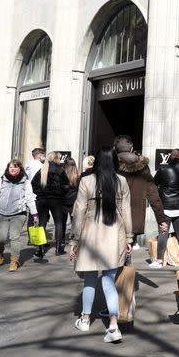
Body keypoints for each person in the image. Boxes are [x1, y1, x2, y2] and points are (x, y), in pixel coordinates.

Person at [69, 147, 132, 343]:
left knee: (89, 278)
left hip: (90, 235)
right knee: (109, 281)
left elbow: (78, 212)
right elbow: (127, 211)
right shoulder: (121, 181)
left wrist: (74, 240)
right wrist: (129, 238)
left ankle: (85, 318)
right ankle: (113, 326)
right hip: (115, 234)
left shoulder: (86, 181)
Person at [113, 135, 166, 251]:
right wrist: (161, 219)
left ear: (115, 149)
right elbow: (153, 195)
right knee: (127, 251)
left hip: (112, 216)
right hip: (134, 219)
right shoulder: (143, 168)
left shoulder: (110, 165)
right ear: (131, 149)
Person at [0, 160, 38, 271]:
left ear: (20, 169)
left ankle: (14, 260)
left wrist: (34, 214)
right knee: (0, 238)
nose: (12, 169)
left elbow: (29, 198)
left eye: (15, 167)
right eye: (10, 167)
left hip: (19, 214)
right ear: (7, 169)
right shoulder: (2, 179)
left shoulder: (25, 181)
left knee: (15, 237)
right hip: (2, 213)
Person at [150, 148, 179, 268]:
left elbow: (154, 183)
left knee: (163, 232)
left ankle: (159, 261)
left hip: (166, 206)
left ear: (170, 157)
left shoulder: (163, 169)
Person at [31, 151, 69, 259]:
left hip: (42, 200)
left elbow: (33, 184)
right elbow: (66, 185)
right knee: (58, 223)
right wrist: (60, 193)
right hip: (56, 200)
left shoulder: (42, 169)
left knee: (41, 224)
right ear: (56, 159)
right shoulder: (60, 170)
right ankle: (58, 248)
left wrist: (40, 193)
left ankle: (40, 249)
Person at [59, 158, 81, 255]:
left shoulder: (62, 174)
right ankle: (74, 240)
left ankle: (61, 240)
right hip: (74, 201)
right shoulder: (78, 175)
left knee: (62, 223)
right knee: (74, 222)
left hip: (63, 201)